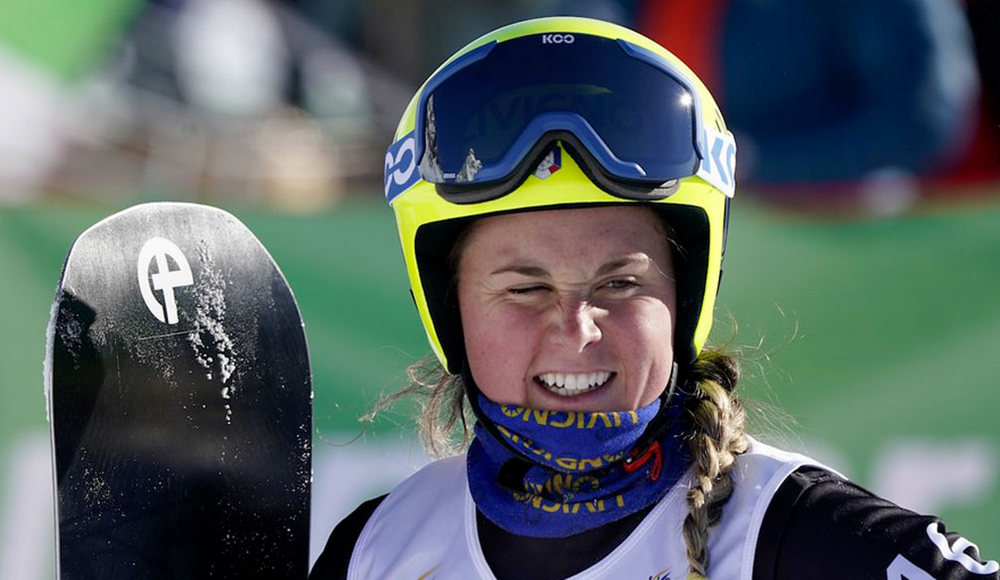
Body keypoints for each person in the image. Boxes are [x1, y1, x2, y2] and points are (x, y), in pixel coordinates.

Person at [310, 16, 999, 580]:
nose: (576, 330)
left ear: (683, 298)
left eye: (619, 284)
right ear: (449, 306)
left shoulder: (807, 539)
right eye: (526, 288)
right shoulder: (377, 550)